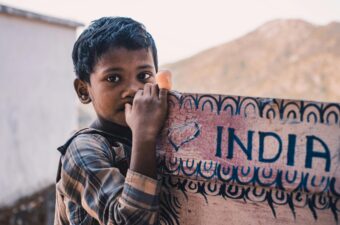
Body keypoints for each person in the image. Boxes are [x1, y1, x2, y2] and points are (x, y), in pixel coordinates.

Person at [54, 17, 168, 225]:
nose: (134, 89)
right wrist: (144, 135)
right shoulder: (82, 151)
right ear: (83, 90)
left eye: (144, 76)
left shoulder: (162, 134)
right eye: (113, 78)